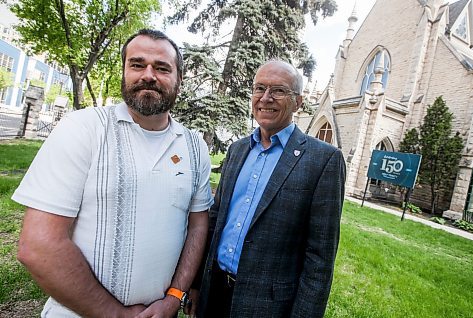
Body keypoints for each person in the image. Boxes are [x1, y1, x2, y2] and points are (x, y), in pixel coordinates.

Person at [13, 29, 213, 318]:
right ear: (123, 71)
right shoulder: (83, 129)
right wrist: (116, 314)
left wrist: (174, 296)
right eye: (137, 64)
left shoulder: (196, 147)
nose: (148, 75)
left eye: (161, 68)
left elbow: (197, 226)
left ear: (179, 80)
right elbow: (38, 246)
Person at [196, 60, 346, 317]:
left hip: (268, 306)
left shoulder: (324, 160)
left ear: (297, 102)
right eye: (259, 88)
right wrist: (198, 284)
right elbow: (215, 220)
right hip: (215, 293)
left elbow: (320, 258)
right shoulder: (238, 150)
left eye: (278, 90)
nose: (265, 98)